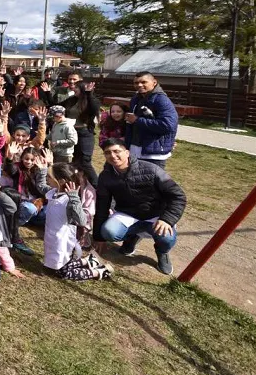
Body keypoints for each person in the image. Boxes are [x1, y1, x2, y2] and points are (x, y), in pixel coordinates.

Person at [94, 139, 187, 275]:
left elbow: (178, 196)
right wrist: (99, 237)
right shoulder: (105, 176)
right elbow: (102, 206)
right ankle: (133, 236)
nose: (112, 156)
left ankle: (162, 252)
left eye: (116, 151)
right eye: (107, 153)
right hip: (128, 214)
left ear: (127, 152)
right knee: (109, 232)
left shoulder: (152, 169)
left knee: (166, 238)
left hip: (156, 214)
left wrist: (167, 219)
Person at [42, 162, 113, 281]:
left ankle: (98, 272)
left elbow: (81, 220)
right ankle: (88, 260)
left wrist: (74, 198)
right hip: (53, 238)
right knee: (58, 265)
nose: (46, 178)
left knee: (64, 273)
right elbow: (41, 186)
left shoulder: (69, 199)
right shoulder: (53, 193)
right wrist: (44, 167)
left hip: (66, 242)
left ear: (61, 181)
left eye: (49, 176)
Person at [125, 71, 179, 169]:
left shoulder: (161, 100)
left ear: (154, 82)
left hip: (153, 155)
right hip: (135, 150)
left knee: (152, 183)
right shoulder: (136, 99)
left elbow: (168, 125)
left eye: (143, 82)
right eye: (136, 83)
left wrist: (137, 120)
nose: (139, 85)